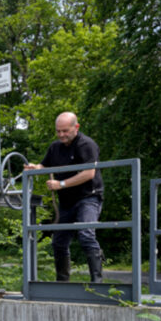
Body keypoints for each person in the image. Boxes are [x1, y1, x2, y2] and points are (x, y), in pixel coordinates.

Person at [24, 112, 105, 282]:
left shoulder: (86, 144)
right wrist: (35, 168)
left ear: (76, 128)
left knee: (86, 234)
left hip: (88, 197)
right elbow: (44, 165)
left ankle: (97, 282)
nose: (61, 135)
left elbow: (89, 173)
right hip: (67, 202)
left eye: (65, 131)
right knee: (58, 242)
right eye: (58, 131)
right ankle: (62, 282)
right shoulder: (55, 147)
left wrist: (61, 184)